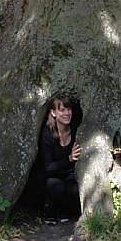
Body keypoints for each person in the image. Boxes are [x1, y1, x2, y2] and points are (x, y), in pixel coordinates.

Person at [38, 95, 81, 224]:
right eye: (62, 110)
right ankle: (50, 209)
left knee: (73, 187)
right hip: (51, 176)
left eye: (69, 109)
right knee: (55, 185)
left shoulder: (76, 130)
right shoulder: (47, 134)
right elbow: (48, 168)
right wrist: (69, 159)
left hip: (69, 175)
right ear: (53, 113)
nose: (67, 113)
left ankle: (65, 210)